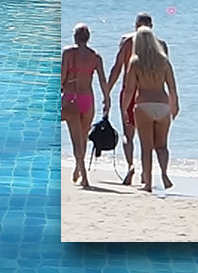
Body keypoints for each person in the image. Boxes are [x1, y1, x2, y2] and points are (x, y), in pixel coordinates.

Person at [105, 13, 168, 185]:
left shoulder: (127, 41)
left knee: (128, 134)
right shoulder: (161, 44)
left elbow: (117, 68)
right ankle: (147, 174)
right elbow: (165, 72)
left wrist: (107, 91)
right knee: (151, 139)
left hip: (130, 92)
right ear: (151, 26)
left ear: (136, 25)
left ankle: (130, 166)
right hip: (153, 93)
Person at [119, 26, 179, 193]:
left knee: (146, 147)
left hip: (144, 105)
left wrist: (124, 108)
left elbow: (129, 89)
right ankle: (164, 174)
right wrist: (174, 105)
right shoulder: (164, 60)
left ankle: (148, 183)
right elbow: (172, 87)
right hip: (162, 105)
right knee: (162, 146)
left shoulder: (135, 62)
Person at [62, 24, 110, 189]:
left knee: (76, 140)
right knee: (82, 137)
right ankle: (78, 168)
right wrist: (107, 98)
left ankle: (84, 178)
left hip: (71, 97)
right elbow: (102, 80)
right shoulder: (95, 56)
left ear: (75, 37)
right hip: (88, 99)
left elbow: (62, 75)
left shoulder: (68, 53)